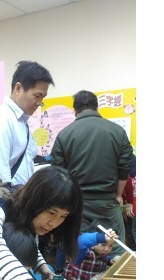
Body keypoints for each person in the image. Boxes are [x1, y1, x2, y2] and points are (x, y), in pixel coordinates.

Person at [50, 90, 134, 257]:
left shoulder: (64, 135)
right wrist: (118, 195)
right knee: (115, 250)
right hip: (108, 202)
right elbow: (124, 167)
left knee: (81, 251)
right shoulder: (117, 131)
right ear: (97, 107)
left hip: (78, 204)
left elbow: (58, 172)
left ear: (75, 110)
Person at [0, 60, 54, 185]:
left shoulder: (20, 120)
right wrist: (11, 196)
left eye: (43, 97)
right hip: (10, 195)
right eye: (37, 95)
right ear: (18, 88)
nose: (39, 102)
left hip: (22, 194)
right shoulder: (1, 119)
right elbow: (0, 175)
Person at [122, 154, 136, 251]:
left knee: (134, 230)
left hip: (133, 205)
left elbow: (131, 188)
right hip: (129, 204)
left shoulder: (129, 178)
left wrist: (130, 204)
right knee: (131, 230)